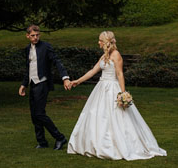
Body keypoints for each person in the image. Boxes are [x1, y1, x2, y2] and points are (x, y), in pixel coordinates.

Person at [67, 31, 166, 160]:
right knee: (97, 115)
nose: (98, 42)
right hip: (101, 88)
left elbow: (119, 74)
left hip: (112, 88)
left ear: (105, 42)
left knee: (117, 117)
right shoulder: (104, 56)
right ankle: (96, 144)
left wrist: (122, 93)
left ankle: (119, 146)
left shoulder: (116, 55)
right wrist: (77, 81)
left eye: (100, 40)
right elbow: (93, 71)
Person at [19, 25, 72, 150]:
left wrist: (65, 77)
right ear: (27, 36)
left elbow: (57, 61)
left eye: (37, 35)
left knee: (39, 113)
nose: (35, 38)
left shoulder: (46, 47)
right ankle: (42, 142)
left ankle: (59, 137)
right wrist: (24, 84)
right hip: (33, 84)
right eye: (32, 35)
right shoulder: (27, 49)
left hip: (42, 83)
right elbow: (29, 68)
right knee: (34, 115)